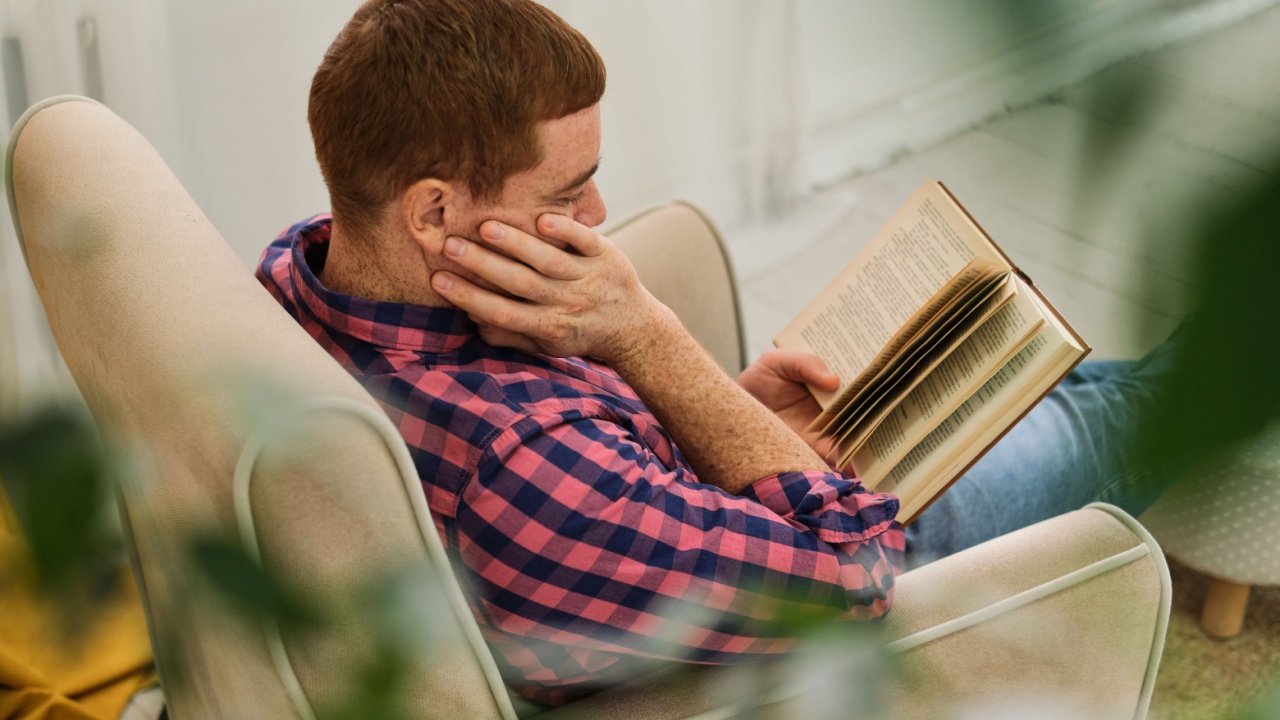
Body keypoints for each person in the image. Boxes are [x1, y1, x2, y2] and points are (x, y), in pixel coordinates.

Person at [256, 0, 1178, 706]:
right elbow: (860, 569)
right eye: (569, 191)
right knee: (1124, 413)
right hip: (823, 572)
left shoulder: (300, 277)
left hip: (667, 539)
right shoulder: (520, 464)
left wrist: (728, 414)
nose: (598, 218)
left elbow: (607, 491)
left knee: (1061, 380)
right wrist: (646, 334)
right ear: (433, 211)